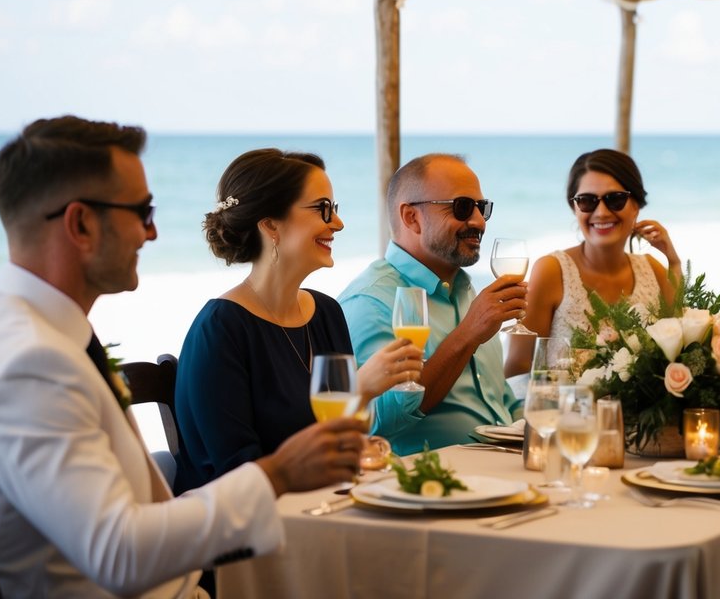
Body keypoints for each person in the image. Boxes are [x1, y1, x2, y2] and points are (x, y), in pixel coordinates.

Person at [0, 117, 367, 599]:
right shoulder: (30, 365)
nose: (152, 234)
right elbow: (120, 556)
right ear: (81, 224)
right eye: (142, 212)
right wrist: (278, 473)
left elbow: (134, 512)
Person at [174, 149, 422, 493]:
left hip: (323, 504)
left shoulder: (327, 313)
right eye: (323, 209)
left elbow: (346, 441)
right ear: (271, 225)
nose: (337, 223)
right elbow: (240, 474)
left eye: (335, 209)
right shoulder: (220, 330)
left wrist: (361, 413)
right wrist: (358, 389)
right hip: (243, 528)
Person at [338, 153, 526, 455]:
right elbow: (376, 420)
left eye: (482, 207)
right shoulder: (371, 300)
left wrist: (537, 427)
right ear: (411, 217)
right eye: (462, 207)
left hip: (504, 471)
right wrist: (467, 336)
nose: (478, 221)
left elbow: (498, 396)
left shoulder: (466, 290)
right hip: (431, 486)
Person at [504, 148, 681, 377]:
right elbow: (517, 369)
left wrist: (674, 263)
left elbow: (680, 349)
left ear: (636, 205)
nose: (601, 212)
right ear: (574, 208)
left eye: (615, 199)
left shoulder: (653, 270)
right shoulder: (550, 271)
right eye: (587, 201)